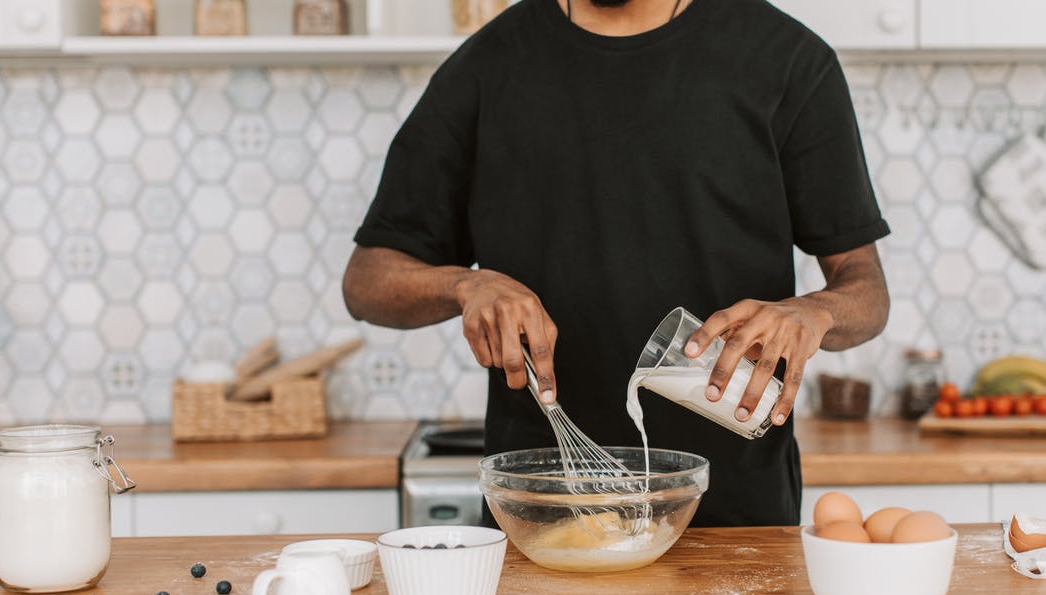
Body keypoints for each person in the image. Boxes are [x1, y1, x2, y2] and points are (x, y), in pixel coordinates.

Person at [344, 0, 890, 526]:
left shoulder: (788, 60)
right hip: (545, 516)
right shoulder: (486, 67)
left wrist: (814, 313)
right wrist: (466, 286)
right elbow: (367, 281)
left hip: (737, 519)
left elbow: (865, 290)